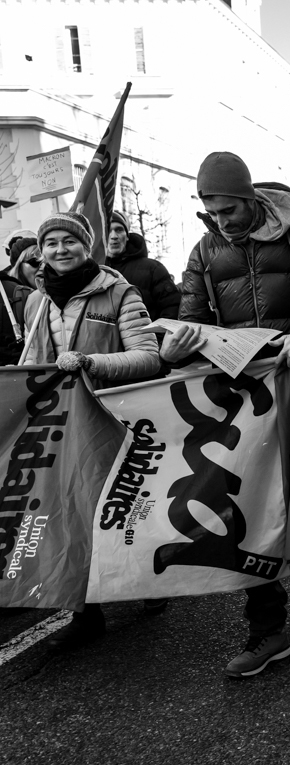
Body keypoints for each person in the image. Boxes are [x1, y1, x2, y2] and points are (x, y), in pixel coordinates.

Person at [160, 151, 290, 678]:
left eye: (229, 210)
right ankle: (267, 631)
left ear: (250, 198)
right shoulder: (204, 251)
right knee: (245, 506)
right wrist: (178, 347)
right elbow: (193, 321)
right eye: (211, 213)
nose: (221, 222)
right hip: (243, 400)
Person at [20, 212, 161, 647]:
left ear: (86, 246)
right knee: (69, 510)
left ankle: (150, 580)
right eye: (51, 243)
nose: (60, 250)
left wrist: (89, 363)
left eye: (69, 241)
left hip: (113, 417)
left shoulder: (119, 292)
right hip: (61, 424)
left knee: (123, 507)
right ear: (41, 252)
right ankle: (84, 613)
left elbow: (148, 356)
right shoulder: (36, 302)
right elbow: (33, 363)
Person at [104, 210, 181, 321]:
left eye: (119, 230)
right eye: (108, 230)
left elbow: (172, 309)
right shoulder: (94, 272)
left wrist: (156, 332)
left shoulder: (153, 269)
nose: (114, 236)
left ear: (127, 236)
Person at [1, 234, 38, 365]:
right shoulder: (6, 292)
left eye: (47, 262)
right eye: (35, 262)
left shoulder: (48, 296)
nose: (43, 267)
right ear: (18, 265)